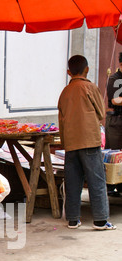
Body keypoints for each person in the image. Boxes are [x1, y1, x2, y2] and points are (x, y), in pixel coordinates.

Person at [58, 55, 116, 231]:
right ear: (87, 70)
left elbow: (61, 120)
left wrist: (64, 141)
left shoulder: (65, 92)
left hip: (70, 142)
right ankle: (100, 220)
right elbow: (100, 112)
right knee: (97, 180)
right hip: (89, 140)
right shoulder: (90, 87)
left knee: (73, 180)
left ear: (68, 72)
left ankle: (73, 220)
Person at [105, 52, 122, 194]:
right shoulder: (114, 79)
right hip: (116, 121)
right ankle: (111, 186)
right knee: (114, 154)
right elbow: (115, 100)